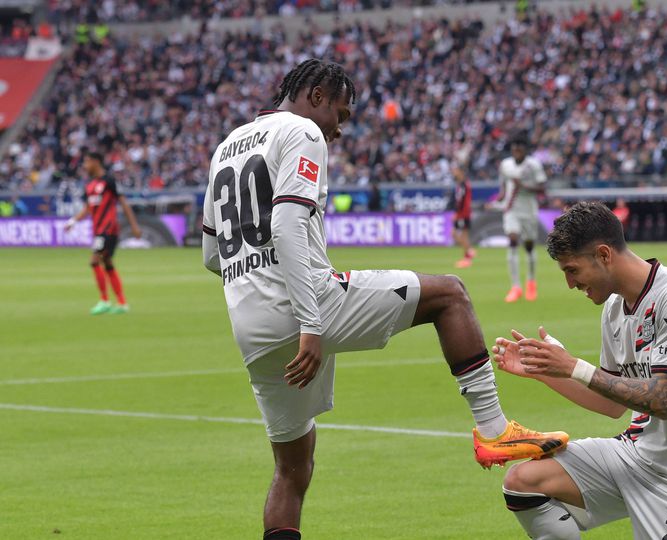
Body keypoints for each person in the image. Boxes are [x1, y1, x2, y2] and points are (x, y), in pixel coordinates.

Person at [200, 59, 567, 540]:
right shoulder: (302, 133)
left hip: (250, 323)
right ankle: (495, 431)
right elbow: (287, 225)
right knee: (450, 295)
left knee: (292, 467)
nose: (339, 129)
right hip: (307, 306)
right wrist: (312, 322)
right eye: (341, 113)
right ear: (316, 96)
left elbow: (211, 254)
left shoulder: (227, 146)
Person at [492, 201, 667, 539]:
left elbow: (664, 400)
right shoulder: (614, 308)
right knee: (524, 483)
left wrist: (573, 366)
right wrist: (545, 370)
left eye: (572, 270)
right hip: (633, 457)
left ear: (604, 255)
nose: (569, 283)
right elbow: (612, 403)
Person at [65, 151, 142, 315]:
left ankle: (105, 300)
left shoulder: (109, 180)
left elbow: (124, 203)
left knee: (95, 261)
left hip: (109, 229)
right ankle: (121, 303)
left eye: (86, 162)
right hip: (98, 230)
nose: (84, 166)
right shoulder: (89, 185)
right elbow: (87, 208)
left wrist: (134, 226)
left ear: (96, 162)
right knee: (107, 263)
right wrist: (72, 221)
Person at [492, 134, 547, 302]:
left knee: (529, 247)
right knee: (513, 240)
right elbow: (503, 187)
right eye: (514, 146)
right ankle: (516, 287)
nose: (516, 149)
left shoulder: (533, 165)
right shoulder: (505, 165)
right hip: (511, 210)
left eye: (520, 146)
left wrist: (524, 186)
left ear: (525, 148)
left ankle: (531, 282)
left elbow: (542, 187)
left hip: (528, 211)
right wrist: (499, 199)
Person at [450, 165, 476, 268]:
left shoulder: (463, 185)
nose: (454, 173)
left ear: (460, 172)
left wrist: (458, 214)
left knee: (460, 236)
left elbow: (462, 202)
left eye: (455, 170)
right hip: (464, 213)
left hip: (463, 214)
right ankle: (469, 251)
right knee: (460, 236)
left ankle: (467, 258)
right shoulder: (461, 184)